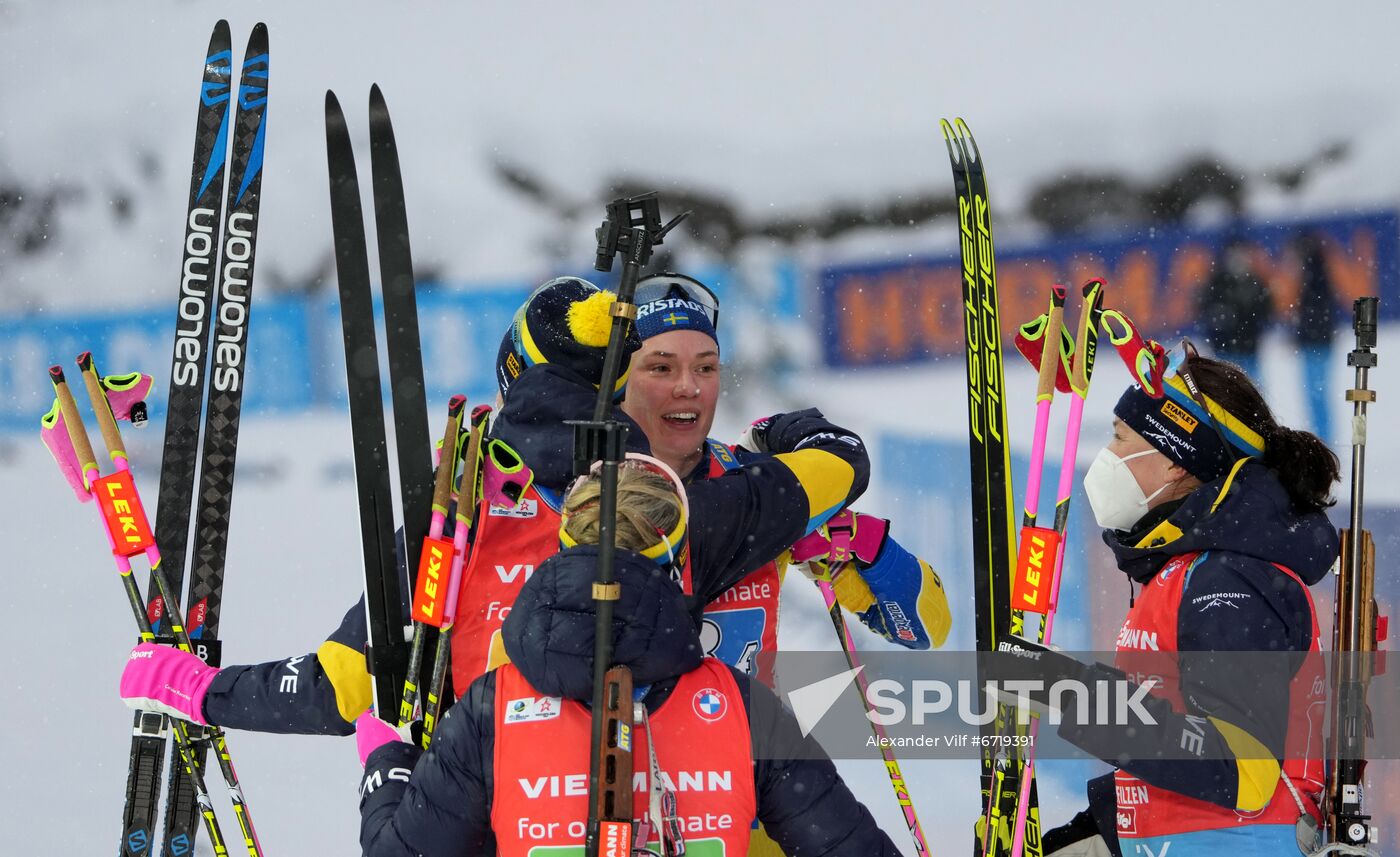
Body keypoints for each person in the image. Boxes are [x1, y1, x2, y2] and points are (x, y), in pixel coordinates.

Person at [120, 276, 872, 736]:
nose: (688, 387)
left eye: (702, 368)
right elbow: (836, 468)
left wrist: (200, 687)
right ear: (618, 386)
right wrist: (809, 435)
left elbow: (346, 686)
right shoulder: (674, 507)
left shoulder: (454, 503)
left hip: (491, 814)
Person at [354, 457, 902, 855]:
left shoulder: (490, 709)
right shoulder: (742, 707)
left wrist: (387, 770)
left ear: (566, 551)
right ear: (679, 559)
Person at [1018, 349, 1339, 857]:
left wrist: (1071, 694)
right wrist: (1091, 830)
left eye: (1121, 437)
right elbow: (1178, 746)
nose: (1107, 452)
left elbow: (1244, 769)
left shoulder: (1227, 580)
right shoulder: (1195, 568)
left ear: (1172, 460)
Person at [623, 272, 951, 668]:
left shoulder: (760, 482)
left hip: (748, 727)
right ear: (623, 379)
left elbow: (926, 630)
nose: (688, 387)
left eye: (706, 368)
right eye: (661, 368)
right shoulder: (578, 489)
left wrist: (866, 545)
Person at [1195, 237, 1273, 380]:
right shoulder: (1218, 281)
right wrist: (1219, 316)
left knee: (1252, 389)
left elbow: (1267, 310)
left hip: (1249, 347)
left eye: (1242, 254)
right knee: (1228, 390)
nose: (1239, 259)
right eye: (1235, 254)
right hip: (1225, 349)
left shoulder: (1254, 281)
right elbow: (1203, 308)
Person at [1293, 231, 1338, 445]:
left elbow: (1314, 311)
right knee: (1316, 393)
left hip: (1316, 341)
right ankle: (1322, 436)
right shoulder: (1318, 272)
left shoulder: (1313, 274)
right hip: (1317, 340)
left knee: (1316, 393)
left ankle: (1323, 438)